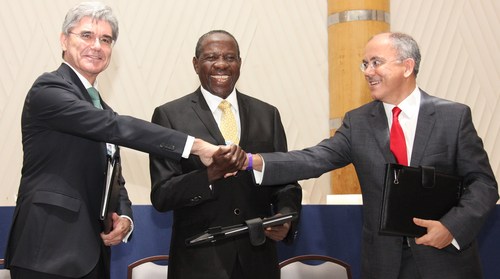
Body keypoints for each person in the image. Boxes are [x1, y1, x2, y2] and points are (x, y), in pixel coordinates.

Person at [4, 3, 242, 279]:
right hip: (46, 252)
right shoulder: (49, 89)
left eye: (106, 40)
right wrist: (196, 146)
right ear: (64, 39)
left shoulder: (100, 107)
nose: (97, 46)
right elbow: (117, 127)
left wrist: (125, 216)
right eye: (86, 35)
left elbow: (113, 176)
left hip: (91, 254)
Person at [245, 32, 498, 279]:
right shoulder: (358, 122)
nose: (367, 71)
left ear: (407, 66)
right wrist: (250, 161)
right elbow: (315, 158)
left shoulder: (453, 117)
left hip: (445, 261)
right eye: (365, 64)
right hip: (384, 264)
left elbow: (483, 184)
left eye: (376, 62)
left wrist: (451, 228)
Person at [149, 30, 302, 279]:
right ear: (196, 64)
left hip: (259, 260)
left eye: (230, 57)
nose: (221, 64)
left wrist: (286, 215)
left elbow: (286, 181)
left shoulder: (268, 114)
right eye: (211, 57)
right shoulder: (169, 116)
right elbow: (162, 195)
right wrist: (210, 174)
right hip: (198, 263)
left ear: (239, 64)